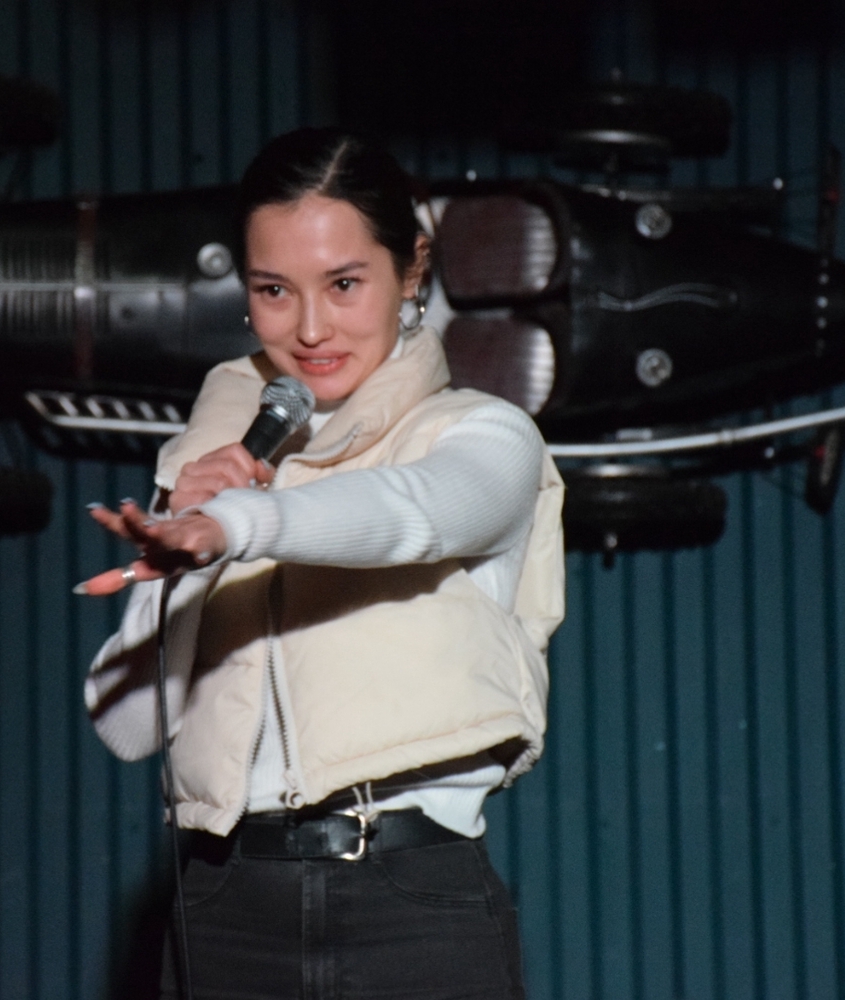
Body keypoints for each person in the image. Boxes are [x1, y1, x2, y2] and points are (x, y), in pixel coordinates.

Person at [80, 127, 565, 1000]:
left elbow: (408, 515)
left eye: (344, 284)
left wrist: (240, 525)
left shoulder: (483, 436)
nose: (308, 329)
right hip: (223, 905)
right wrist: (189, 545)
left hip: (412, 903)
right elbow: (126, 727)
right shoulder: (214, 463)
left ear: (412, 270)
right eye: (273, 289)